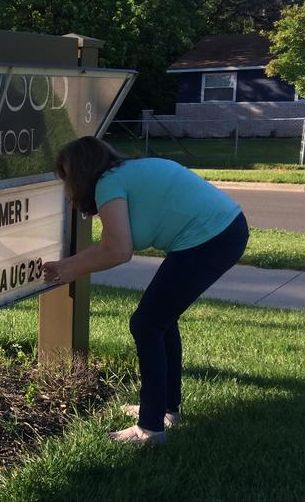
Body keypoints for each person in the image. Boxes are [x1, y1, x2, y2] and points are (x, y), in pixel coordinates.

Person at [41, 136, 248, 444]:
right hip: (225, 229)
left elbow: (116, 250)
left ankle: (150, 428)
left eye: (67, 178)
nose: (68, 189)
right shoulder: (128, 173)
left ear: (82, 171)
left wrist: (65, 268)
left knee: (146, 324)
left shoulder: (109, 183)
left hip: (211, 238)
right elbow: (116, 245)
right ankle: (165, 408)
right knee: (159, 321)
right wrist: (69, 266)